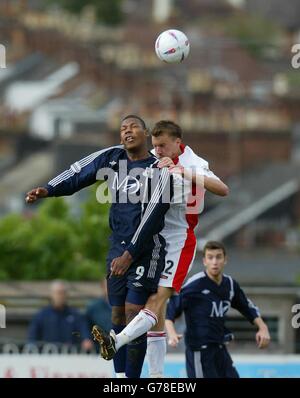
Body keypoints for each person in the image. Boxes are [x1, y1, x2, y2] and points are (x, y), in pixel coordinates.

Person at [26, 115, 173, 378]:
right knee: (116, 315)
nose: (127, 132)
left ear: (146, 132)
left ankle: (132, 379)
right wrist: (48, 189)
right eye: (122, 129)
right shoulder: (112, 157)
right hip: (117, 246)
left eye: (133, 127)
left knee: (133, 313)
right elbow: (78, 172)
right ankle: (118, 379)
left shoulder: (160, 168)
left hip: (146, 249)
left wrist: (130, 254)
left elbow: (154, 214)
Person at [93, 120, 229, 378]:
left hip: (178, 241)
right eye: (154, 146)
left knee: (158, 300)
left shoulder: (193, 162)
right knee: (150, 309)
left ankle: (117, 342)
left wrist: (182, 171)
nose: (158, 151)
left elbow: (223, 189)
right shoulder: (152, 159)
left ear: (178, 143)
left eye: (162, 146)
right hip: (151, 239)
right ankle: (155, 376)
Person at [165, 241, 271, 378]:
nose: (214, 261)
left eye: (218, 257)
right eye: (210, 257)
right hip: (199, 352)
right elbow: (171, 312)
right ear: (204, 261)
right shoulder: (194, 286)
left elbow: (247, 307)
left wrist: (263, 327)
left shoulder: (230, 285)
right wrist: (172, 333)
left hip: (220, 349)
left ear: (225, 260)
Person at [28, 280, 93, 351]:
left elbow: (84, 331)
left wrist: (86, 339)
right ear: (51, 294)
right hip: (47, 355)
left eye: (63, 293)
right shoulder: (41, 315)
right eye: (58, 293)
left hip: (71, 355)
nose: (60, 296)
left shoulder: (75, 315)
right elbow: (32, 338)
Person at [85, 280, 112, 352]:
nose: (110, 288)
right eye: (108, 285)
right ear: (102, 287)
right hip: (99, 348)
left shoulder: (125, 305)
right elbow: (85, 324)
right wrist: (86, 338)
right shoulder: (94, 307)